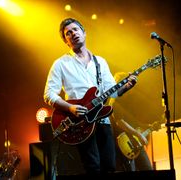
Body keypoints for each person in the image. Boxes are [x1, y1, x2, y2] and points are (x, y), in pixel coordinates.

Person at [43, 17, 144, 175]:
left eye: (76, 30)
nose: (73, 33)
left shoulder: (100, 62)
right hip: (81, 122)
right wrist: (70, 108)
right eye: (68, 33)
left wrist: (126, 87)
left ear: (84, 33)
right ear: (65, 41)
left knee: (109, 166)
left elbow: (112, 90)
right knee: (93, 167)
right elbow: (48, 94)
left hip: (102, 120)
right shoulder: (61, 64)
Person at [108, 72, 153, 172]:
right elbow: (120, 121)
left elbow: (133, 122)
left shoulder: (126, 101)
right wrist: (139, 135)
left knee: (147, 169)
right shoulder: (115, 100)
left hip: (134, 141)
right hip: (124, 144)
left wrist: (148, 126)